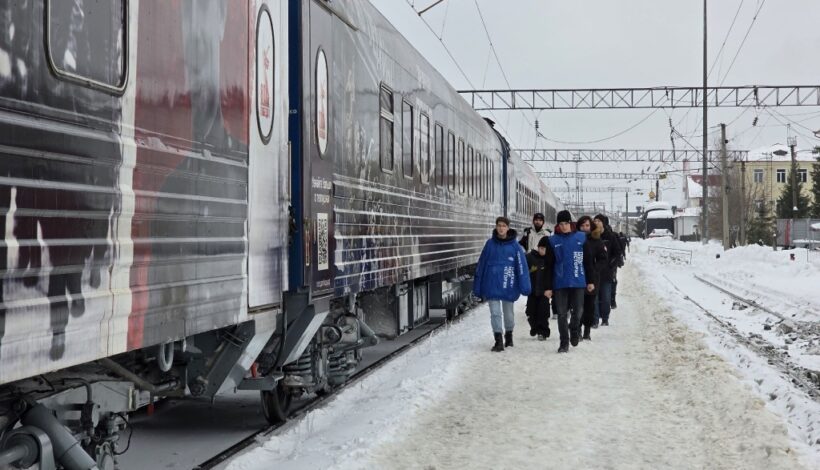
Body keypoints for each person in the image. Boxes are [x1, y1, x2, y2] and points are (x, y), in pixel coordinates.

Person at [474, 217, 532, 352]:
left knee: (508, 314)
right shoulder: (489, 244)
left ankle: (509, 334)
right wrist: (478, 286)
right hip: (491, 283)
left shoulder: (515, 247)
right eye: (499, 225)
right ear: (496, 227)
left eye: (504, 226)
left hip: (508, 284)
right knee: (495, 313)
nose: (501, 228)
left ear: (508, 228)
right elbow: (481, 265)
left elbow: (521, 267)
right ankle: (498, 340)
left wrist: (525, 286)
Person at [547, 211, 593, 353]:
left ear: (570, 224)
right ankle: (564, 342)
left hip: (578, 280)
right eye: (561, 224)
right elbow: (549, 265)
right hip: (560, 282)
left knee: (578, 310)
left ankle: (574, 329)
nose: (564, 226)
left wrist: (590, 281)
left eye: (566, 223)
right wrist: (548, 287)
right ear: (558, 225)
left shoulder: (581, 238)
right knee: (561, 313)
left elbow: (588, 262)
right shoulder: (553, 241)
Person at [576, 216, 606, 341]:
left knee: (589, 306)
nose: (584, 228)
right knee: (577, 306)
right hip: (576, 277)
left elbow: (603, 259)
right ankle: (576, 329)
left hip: (592, 278)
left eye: (587, 225)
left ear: (591, 226)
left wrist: (594, 268)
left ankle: (587, 330)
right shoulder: (575, 240)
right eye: (582, 226)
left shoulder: (597, 241)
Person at [593, 214, 622, 325]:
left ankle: (605, 318)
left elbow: (617, 252)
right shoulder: (592, 236)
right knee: (594, 298)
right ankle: (595, 320)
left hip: (606, 273)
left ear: (604, 223)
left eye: (598, 221)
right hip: (594, 272)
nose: (596, 222)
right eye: (594, 220)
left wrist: (611, 265)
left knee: (605, 298)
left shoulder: (610, 237)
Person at [525, 237, 553, 340]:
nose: (543, 251)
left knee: (543, 312)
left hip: (544, 291)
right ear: (538, 247)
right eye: (541, 248)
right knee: (530, 311)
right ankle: (534, 327)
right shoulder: (530, 257)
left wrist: (551, 289)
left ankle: (543, 332)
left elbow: (552, 276)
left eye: (545, 249)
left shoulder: (550, 260)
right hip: (532, 291)